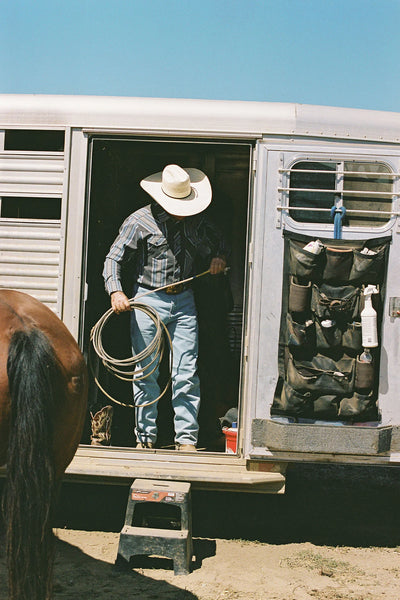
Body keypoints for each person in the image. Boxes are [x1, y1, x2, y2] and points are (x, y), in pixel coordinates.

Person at [103, 164, 227, 451]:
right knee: (146, 372)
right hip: (147, 299)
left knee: (186, 371)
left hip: (184, 300)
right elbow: (113, 259)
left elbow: (221, 243)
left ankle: (186, 440)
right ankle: (145, 438)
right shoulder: (139, 221)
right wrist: (116, 291)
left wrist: (219, 258)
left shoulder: (200, 221)